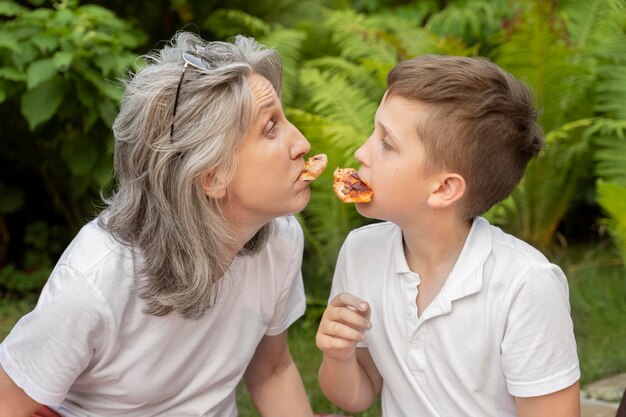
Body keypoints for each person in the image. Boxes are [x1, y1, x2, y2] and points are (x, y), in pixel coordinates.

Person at [0, 32, 316, 417]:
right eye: (271, 128)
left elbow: (272, 370)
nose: (301, 143)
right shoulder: (93, 283)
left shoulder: (279, 238)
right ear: (211, 175)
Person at [316, 55, 580, 417]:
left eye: (387, 143)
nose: (362, 151)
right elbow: (357, 396)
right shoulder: (362, 252)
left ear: (443, 189)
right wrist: (337, 354)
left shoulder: (526, 285)